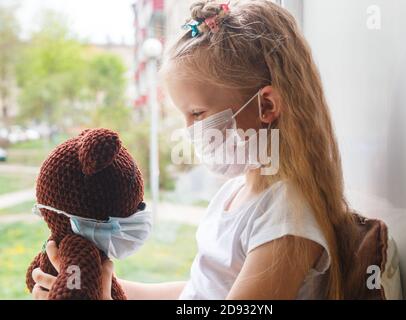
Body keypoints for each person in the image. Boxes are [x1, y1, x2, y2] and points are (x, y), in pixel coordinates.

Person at [32, 0, 366, 300]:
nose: (189, 130)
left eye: (197, 114)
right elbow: (201, 292)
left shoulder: (287, 217)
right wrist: (112, 287)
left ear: (266, 105)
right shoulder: (235, 193)